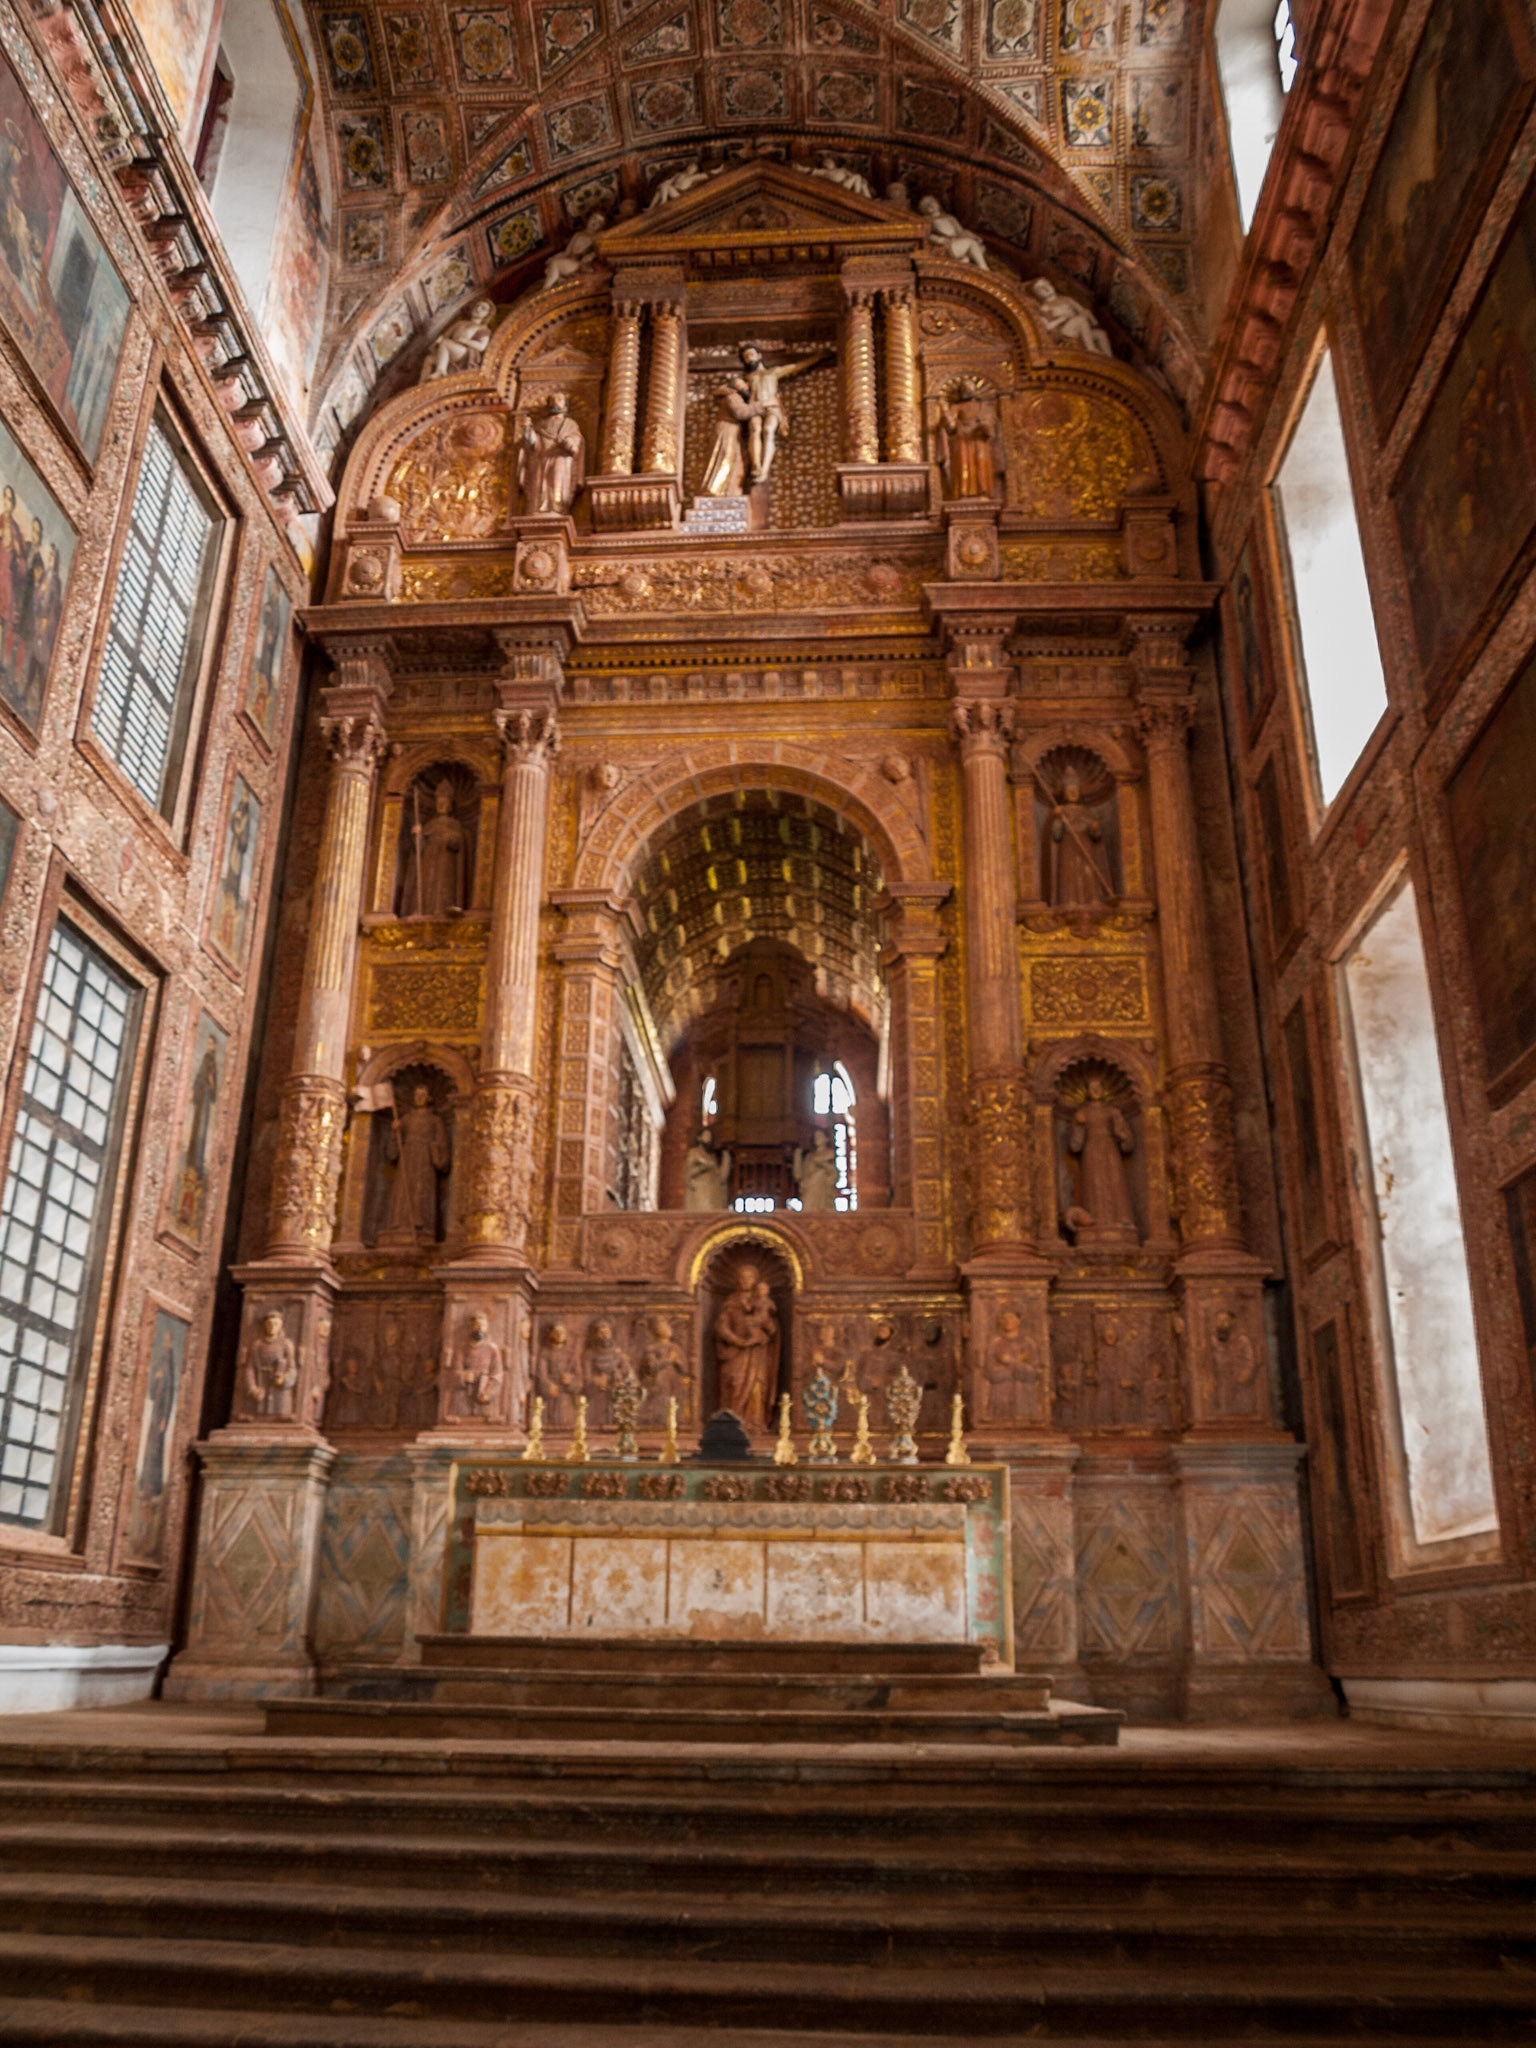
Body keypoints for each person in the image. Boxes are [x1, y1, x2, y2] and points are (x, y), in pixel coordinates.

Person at [738, 341, 829, 484]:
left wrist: (818, 357)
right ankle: (756, 464)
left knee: (768, 431)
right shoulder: (747, 377)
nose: (749, 358)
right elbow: (731, 388)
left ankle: (764, 470)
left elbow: (796, 367)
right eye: (746, 357)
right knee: (755, 430)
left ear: (759, 355)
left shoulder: (773, 372)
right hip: (755, 407)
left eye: (751, 354)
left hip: (772, 407)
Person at [1068, 1076, 1137, 1243]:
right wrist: (1079, 1126)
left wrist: (1123, 1136)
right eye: (1092, 1087)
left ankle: (1121, 1218)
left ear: (1104, 1090)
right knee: (1094, 1183)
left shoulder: (1113, 1112)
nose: (1096, 1090)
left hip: (1110, 1149)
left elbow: (1127, 1141)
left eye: (1098, 1086)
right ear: (1087, 1092)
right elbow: (1075, 1146)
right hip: (1091, 1151)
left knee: (1115, 1182)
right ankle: (1094, 1221)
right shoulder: (1082, 1113)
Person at [714, 1264, 778, 1433]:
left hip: (757, 1353)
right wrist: (736, 1340)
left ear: (755, 1280)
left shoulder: (763, 1301)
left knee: (757, 1387)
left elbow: (773, 1330)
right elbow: (721, 1326)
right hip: (735, 1352)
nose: (745, 1281)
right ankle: (731, 1425)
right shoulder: (731, 1301)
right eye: (742, 1277)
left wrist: (764, 1323)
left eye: (749, 1277)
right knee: (734, 1383)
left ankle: (755, 1424)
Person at [384, 1083, 450, 1243]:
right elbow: (392, 1152)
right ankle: (400, 1225)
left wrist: (435, 1152)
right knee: (403, 1190)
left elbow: (441, 1144)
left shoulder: (434, 1120)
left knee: (422, 1190)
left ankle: (422, 1225)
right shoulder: (405, 1119)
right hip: (407, 1157)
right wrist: (395, 1132)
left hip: (425, 1159)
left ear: (428, 1099)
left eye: (422, 1095)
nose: (419, 1098)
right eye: (417, 1095)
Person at [1044, 765, 1112, 907]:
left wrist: (1094, 829)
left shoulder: (1086, 811)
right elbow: (1056, 836)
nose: (1073, 793)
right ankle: (1069, 900)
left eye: (1075, 790)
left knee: (1088, 871)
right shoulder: (1060, 811)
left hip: (1086, 845)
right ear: (1065, 793)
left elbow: (1097, 837)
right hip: (1068, 845)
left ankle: (1093, 899)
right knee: (1069, 872)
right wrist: (1057, 819)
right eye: (1070, 791)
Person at [401, 778, 468, 918]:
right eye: (439, 802)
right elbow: (419, 849)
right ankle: (421, 911)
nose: (441, 805)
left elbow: (458, 843)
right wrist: (418, 835)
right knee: (425, 885)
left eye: (445, 802)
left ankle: (442, 911)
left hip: (446, 859)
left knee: (443, 886)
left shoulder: (454, 823)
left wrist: (450, 838)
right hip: (429, 859)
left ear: (450, 805)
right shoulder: (430, 825)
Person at [517, 391, 585, 515]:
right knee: (540, 483)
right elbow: (533, 443)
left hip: (561, 458)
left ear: (565, 406)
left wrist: (569, 442)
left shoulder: (570, 424)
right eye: (552, 400)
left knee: (556, 481)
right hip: (541, 458)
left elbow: (577, 440)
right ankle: (537, 509)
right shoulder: (541, 424)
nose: (555, 403)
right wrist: (527, 429)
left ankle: (556, 509)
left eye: (559, 400)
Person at [934, 376, 1001, 500]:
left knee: (981, 464)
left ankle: (983, 492)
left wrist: (984, 425)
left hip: (979, 439)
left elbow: (991, 422)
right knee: (963, 465)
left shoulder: (984, 406)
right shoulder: (956, 407)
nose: (965, 390)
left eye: (968, 387)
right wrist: (946, 414)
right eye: (963, 388)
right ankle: (962, 493)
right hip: (962, 440)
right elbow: (951, 427)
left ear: (974, 390)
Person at [700, 375, 761, 498]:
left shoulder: (738, 397)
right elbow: (740, 413)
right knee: (725, 457)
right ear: (734, 387)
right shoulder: (732, 397)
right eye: (740, 384)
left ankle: (730, 491)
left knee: (736, 459)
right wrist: (758, 407)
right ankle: (716, 490)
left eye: (744, 384)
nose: (744, 386)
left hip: (733, 431)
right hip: (726, 430)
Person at [1027, 277, 1112, 356]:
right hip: (1064, 332)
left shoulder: (1067, 299)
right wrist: (1063, 318)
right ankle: (1091, 349)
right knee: (1080, 320)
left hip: (1079, 331)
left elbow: (1083, 311)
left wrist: (1089, 316)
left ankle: (1110, 360)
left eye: (1046, 284)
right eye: (1040, 288)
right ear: (1038, 295)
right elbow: (1048, 327)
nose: (1045, 288)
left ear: (1051, 285)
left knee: (1101, 334)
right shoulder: (1045, 307)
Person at [419, 299, 496, 382]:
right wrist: (435, 345)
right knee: (429, 359)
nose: (478, 309)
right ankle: (420, 385)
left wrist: (465, 341)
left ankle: (441, 371)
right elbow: (445, 336)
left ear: (487, 314)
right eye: (477, 306)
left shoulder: (483, 329)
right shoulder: (460, 323)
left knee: (445, 343)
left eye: (483, 308)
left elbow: (482, 347)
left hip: (465, 355)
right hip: (450, 350)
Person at [918, 194, 989, 269]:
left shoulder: (949, 217)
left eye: (932, 202)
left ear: (938, 204)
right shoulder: (925, 219)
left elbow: (961, 232)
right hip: (946, 245)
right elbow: (925, 234)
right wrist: (938, 239)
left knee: (980, 248)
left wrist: (974, 236)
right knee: (971, 244)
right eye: (926, 204)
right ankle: (984, 268)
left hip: (956, 241)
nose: (930, 205)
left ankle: (963, 261)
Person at [683, 1128, 731, 1209]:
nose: (709, 1139)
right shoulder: (694, 1152)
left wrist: (726, 1159)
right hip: (700, 1192)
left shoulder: (712, 1156)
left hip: (714, 1194)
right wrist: (702, 1167)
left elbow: (720, 1176)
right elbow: (688, 1173)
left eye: (710, 1137)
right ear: (699, 1138)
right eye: (706, 1136)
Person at [793, 1127, 839, 1211]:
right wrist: (797, 1156)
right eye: (816, 1137)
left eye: (820, 1136)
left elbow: (833, 1174)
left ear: (826, 1139)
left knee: (819, 1175)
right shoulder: (809, 1156)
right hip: (809, 1189)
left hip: (822, 1188)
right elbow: (799, 1175)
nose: (817, 1139)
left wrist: (822, 1163)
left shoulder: (829, 1153)